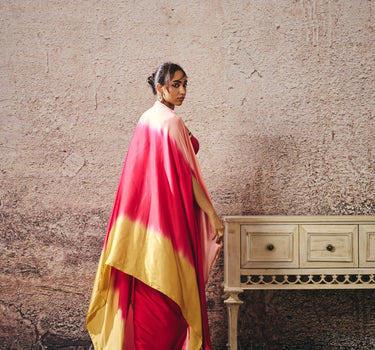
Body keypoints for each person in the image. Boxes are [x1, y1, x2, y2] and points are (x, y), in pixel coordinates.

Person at [86, 62, 224, 350]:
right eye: (176, 84)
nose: (183, 90)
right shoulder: (170, 122)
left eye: (185, 84)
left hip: (141, 228)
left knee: (149, 295)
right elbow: (187, 177)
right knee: (171, 298)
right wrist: (212, 214)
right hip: (168, 223)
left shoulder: (146, 119)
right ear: (160, 87)